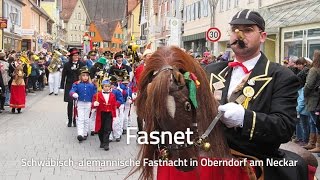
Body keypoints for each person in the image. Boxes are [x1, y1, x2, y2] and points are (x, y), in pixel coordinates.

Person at [205, 9, 306, 179]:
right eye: (235, 29)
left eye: (248, 30)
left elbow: (284, 127)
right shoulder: (211, 70)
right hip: (210, 161)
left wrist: (244, 118)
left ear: (263, 36)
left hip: (254, 161)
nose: (240, 35)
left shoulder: (281, 75)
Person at [69, 66, 97, 142]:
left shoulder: (92, 85)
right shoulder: (77, 84)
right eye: (83, 75)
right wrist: (73, 94)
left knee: (86, 119)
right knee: (80, 118)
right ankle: (80, 134)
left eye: (87, 76)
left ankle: (85, 133)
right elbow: (72, 90)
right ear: (80, 76)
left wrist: (95, 102)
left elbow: (95, 95)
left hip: (88, 103)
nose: (85, 77)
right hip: (80, 103)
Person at [60, 48, 85, 127]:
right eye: (74, 55)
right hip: (69, 85)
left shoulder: (82, 64)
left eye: (77, 55)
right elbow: (63, 76)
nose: (76, 56)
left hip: (79, 85)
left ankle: (75, 120)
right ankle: (70, 120)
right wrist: (61, 87)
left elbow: (85, 75)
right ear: (71, 56)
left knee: (78, 103)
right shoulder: (67, 64)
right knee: (70, 103)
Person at [92, 79, 119, 151]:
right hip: (101, 113)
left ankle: (106, 143)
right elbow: (93, 103)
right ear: (102, 87)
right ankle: (102, 142)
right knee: (100, 129)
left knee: (108, 128)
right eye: (105, 86)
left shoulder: (112, 95)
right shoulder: (97, 95)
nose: (107, 88)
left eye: (108, 86)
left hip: (109, 113)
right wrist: (94, 104)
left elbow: (113, 106)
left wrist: (114, 115)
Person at [304, 50, 320, 153]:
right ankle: (312, 143)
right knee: (313, 122)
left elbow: (309, 85)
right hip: (317, 98)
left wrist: (304, 93)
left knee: (315, 122)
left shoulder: (314, 70)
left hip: (313, 99)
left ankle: (315, 144)